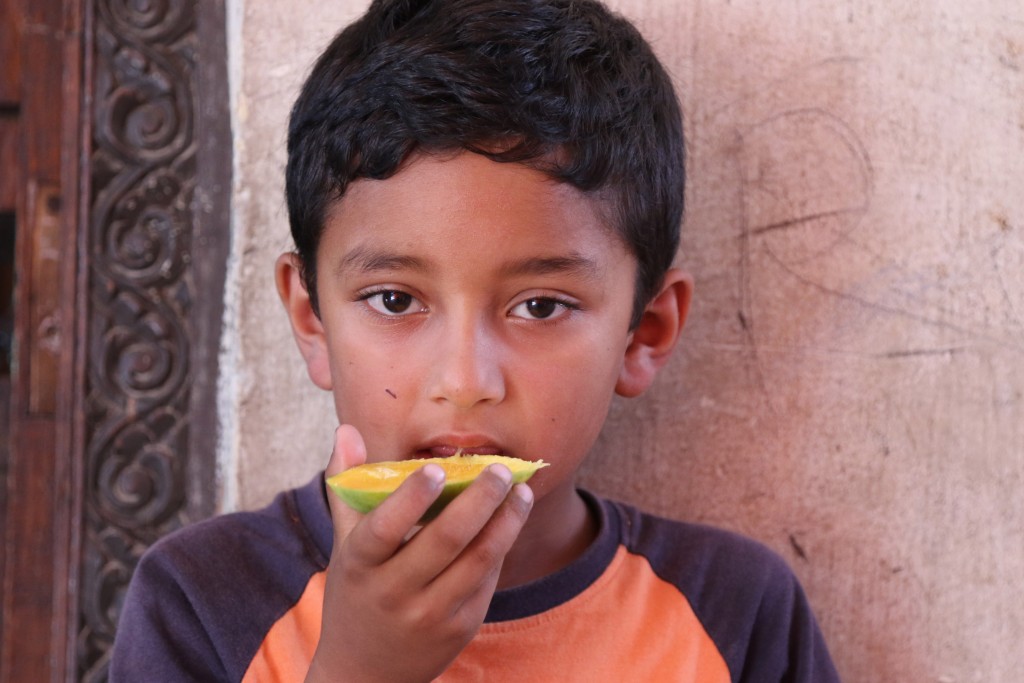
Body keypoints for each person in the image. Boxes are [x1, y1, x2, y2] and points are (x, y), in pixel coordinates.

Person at [111, 0, 841, 681]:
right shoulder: (204, 601)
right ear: (313, 320)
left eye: (540, 306)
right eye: (395, 299)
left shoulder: (735, 611)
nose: (464, 381)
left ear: (641, 334)